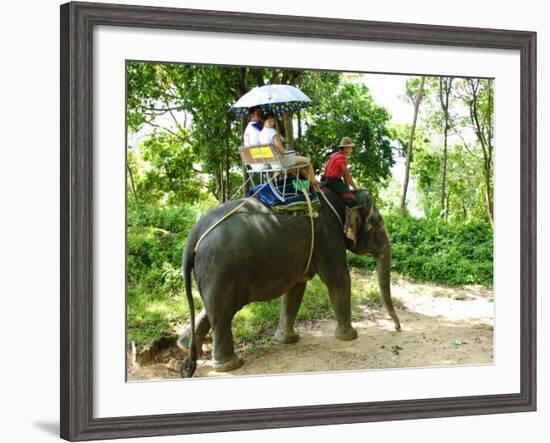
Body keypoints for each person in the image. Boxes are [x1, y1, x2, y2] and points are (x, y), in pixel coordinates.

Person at [259, 112, 321, 193]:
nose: (272, 123)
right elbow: (282, 151)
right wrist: (292, 152)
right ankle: (315, 186)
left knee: (300, 166)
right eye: (269, 121)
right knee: (307, 161)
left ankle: (310, 184)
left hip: (272, 163)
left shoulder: (261, 134)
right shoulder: (272, 133)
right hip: (281, 162)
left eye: (273, 121)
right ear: (264, 121)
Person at [322, 136, 365, 206]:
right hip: (334, 181)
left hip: (326, 180)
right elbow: (346, 174)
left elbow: (345, 175)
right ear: (345, 148)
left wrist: (347, 186)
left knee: (346, 191)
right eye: (350, 147)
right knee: (351, 199)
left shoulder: (335, 155)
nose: (351, 149)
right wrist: (355, 187)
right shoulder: (341, 157)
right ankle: (349, 215)